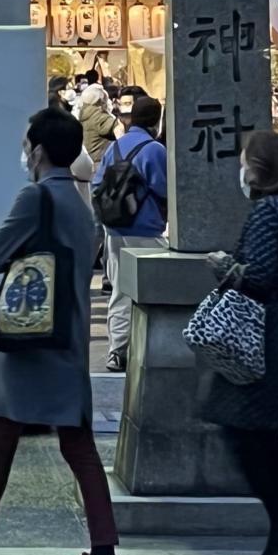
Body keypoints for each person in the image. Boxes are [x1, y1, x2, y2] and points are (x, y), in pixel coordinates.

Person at [0, 108, 118, 555]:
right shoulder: (77, 200)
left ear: (37, 149)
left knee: (4, 430)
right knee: (70, 439)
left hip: (33, 337)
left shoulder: (35, 198)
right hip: (68, 332)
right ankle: (102, 551)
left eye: (27, 142)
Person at [200, 130, 278, 555]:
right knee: (259, 437)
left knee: (248, 435)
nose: (241, 171)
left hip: (262, 340)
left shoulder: (268, 210)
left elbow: (260, 276)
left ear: (262, 169)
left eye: (246, 162)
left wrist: (224, 267)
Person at [94, 94, 168, 372]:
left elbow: (98, 186)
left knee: (121, 293)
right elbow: (164, 189)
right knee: (152, 292)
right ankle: (150, 349)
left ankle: (117, 351)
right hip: (146, 229)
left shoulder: (114, 148)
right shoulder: (155, 150)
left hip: (114, 230)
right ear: (156, 120)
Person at [75, 82, 117, 167]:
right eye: (106, 99)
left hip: (92, 162)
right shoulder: (99, 117)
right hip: (102, 163)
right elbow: (119, 128)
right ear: (100, 101)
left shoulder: (85, 113)